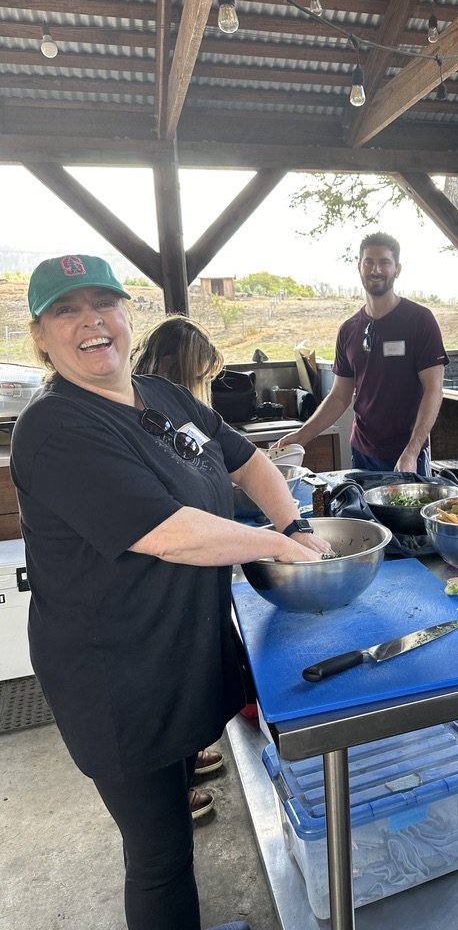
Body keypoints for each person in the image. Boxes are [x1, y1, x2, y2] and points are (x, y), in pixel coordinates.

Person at [11, 255, 332, 930]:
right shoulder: (54, 427)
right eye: (67, 310)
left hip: (180, 647)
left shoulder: (161, 395)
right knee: (160, 855)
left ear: (128, 316)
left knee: (178, 814)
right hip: (115, 678)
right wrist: (280, 548)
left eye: (105, 303)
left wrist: (294, 520)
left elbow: (245, 458)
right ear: (39, 334)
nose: (92, 322)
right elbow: (166, 532)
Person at [131, 315, 226, 820]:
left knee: (190, 677)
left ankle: (187, 758)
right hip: (159, 580)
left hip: (189, 575)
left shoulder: (168, 401)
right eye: (197, 375)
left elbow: (219, 458)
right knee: (168, 686)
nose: (200, 387)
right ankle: (173, 789)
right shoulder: (137, 410)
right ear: (171, 366)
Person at [275, 232, 448, 476]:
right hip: (362, 453)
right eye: (369, 262)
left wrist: (412, 450)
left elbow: (434, 389)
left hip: (408, 455)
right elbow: (339, 397)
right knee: (362, 515)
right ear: (359, 267)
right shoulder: (349, 330)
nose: (375, 269)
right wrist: (301, 436)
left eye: (384, 262)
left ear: (397, 269)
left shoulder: (419, 320)